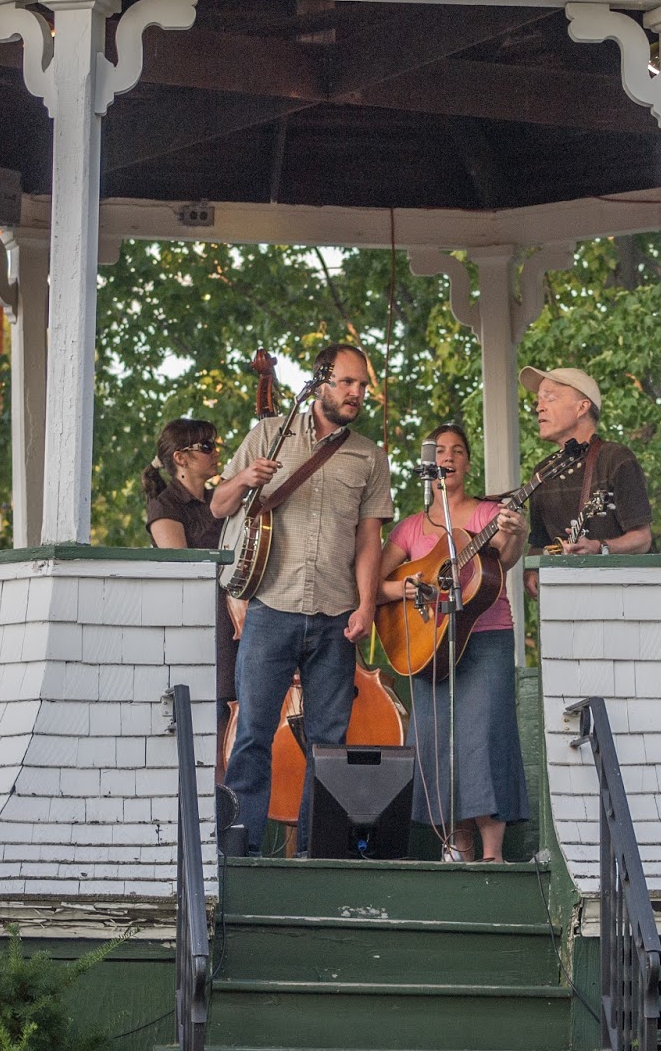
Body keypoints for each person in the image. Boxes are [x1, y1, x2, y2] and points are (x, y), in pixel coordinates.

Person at [211, 343, 393, 854]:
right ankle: (240, 852)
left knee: (328, 743)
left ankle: (318, 853)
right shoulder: (269, 434)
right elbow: (220, 503)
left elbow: (368, 540)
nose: (357, 393)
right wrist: (246, 477)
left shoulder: (369, 456)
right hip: (271, 607)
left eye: (363, 386)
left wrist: (365, 605)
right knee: (252, 735)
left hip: (336, 615)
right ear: (320, 382)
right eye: (348, 383)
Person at [378, 423, 529, 862]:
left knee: (485, 735)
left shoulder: (486, 514)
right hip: (429, 647)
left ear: (466, 462)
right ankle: (457, 847)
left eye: (458, 451)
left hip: (485, 637)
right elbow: (374, 583)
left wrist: (516, 532)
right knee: (439, 740)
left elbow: (505, 556)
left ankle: (492, 853)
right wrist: (401, 590)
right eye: (440, 450)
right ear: (429, 464)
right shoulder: (409, 530)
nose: (448, 457)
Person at [519, 366, 652, 598]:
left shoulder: (616, 458)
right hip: (564, 599)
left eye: (549, 398)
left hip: (623, 595)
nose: (539, 407)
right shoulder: (542, 472)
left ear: (582, 407)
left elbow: (642, 539)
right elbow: (539, 541)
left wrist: (600, 547)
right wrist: (531, 568)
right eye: (538, 400)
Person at [142, 418, 238, 724]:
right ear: (181, 458)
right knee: (219, 710)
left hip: (234, 616)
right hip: (204, 624)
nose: (216, 452)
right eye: (207, 446)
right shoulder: (165, 505)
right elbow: (184, 568)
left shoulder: (216, 499)